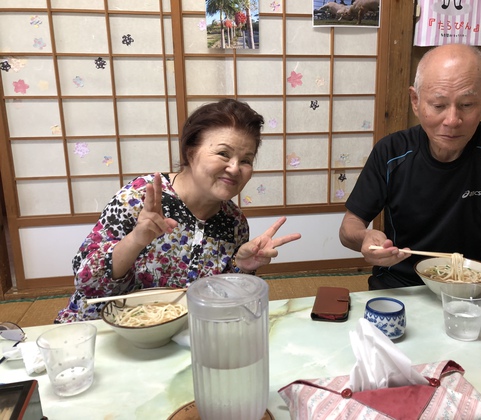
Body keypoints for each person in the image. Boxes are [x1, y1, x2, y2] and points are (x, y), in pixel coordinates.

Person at [339, 44, 481, 325]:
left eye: (467, 105)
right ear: (415, 101)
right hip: (397, 292)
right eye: (438, 105)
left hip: (471, 297)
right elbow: (349, 228)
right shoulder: (391, 152)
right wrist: (365, 239)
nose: (453, 120)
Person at [56, 99, 301, 322]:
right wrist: (135, 240)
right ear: (190, 153)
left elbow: (219, 301)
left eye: (246, 160)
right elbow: (86, 282)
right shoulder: (142, 195)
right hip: (104, 330)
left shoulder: (234, 222)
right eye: (223, 154)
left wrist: (241, 267)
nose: (235, 169)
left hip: (178, 337)